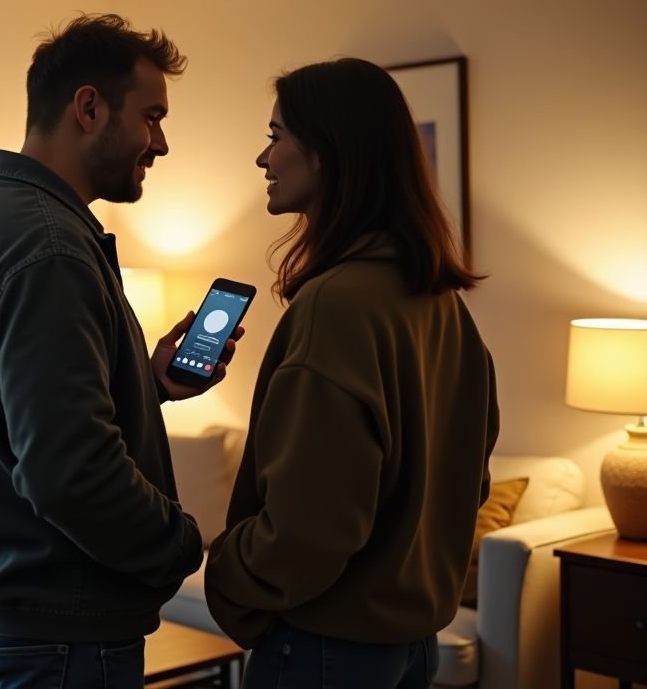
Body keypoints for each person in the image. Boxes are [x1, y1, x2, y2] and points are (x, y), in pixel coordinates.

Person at [0, 13, 242, 689]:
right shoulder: (51, 250)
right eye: (152, 117)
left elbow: (7, 418)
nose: (163, 143)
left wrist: (143, 385)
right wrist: (178, 543)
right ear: (89, 107)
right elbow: (69, 472)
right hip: (61, 633)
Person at [203, 57, 500, 689]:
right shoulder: (437, 300)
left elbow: (310, 527)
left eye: (276, 137)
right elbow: (469, 479)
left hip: (325, 650)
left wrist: (224, 569)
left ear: (326, 153)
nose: (263, 159)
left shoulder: (336, 306)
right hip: (411, 645)